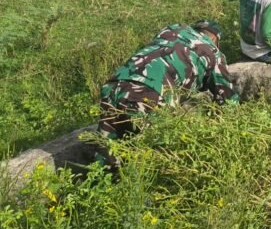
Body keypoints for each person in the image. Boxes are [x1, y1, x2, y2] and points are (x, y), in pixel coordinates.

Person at [97, 21, 238, 140]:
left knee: (107, 152)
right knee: (151, 153)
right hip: (150, 93)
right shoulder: (212, 51)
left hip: (115, 83)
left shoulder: (171, 29)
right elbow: (228, 99)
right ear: (215, 40)